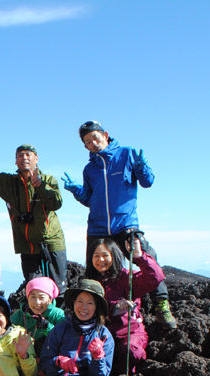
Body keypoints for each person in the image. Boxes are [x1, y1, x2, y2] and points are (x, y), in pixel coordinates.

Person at [61, 121, 176, 328]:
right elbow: (90, 199)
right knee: (94, 272)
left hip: (125, 224)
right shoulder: (89, 169)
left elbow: (148, 182)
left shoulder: (127, 154)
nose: (93, 143)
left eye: (95, 138)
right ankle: (96, 316)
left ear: (105, 135)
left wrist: (142, 167)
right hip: (97, 227)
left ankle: (162, 304)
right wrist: (77, 190)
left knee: (147, 256)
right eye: (87, 142)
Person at [0, 145, 67, 292]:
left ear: (36, 159)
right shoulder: (10, 183)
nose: (24, 158)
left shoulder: (48, 180)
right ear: (15, 162)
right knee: (34, 289)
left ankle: (59, 315)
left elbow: (56, 203)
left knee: (59, 289)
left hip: (52, 242)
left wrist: (41, 186)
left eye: (28, 154)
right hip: (27, 245)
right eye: (20, 155)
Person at [39, 279, 115, 376]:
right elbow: (44, 364)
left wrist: (98, 358)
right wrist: (59, 361)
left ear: (97, 307)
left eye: (90, 303)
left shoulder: (104, 336)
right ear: (73, 303)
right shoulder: (60, 329)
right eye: (80, 301)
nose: (84, 307)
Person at [87, 236, 165, 373]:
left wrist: (139, 256)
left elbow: (155, 278)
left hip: (128, 333)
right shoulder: (89, 281)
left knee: (130, 351)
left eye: (105, 255)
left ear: (114, 256)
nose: (100, 260)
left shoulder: (126, 278)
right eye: (96, 256)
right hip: (102, 335)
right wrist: (115, 307)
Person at [10, 277, 65, 354]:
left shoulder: (58, 315)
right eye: (33, 297)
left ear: (50, 299)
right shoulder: (20, 315)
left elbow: (64, 338)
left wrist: (47, 327)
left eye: (41, 297)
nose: (37, 302)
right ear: (27, 298)